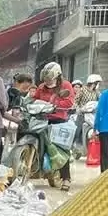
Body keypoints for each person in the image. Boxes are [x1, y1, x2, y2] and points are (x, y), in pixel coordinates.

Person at [32, 61, 76, 191]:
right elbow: (34, 99)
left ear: (56, 76)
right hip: (42, 119)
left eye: (49, 78)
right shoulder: (41, 87)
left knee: (61, 150)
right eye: (45, 78)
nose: (47, 80)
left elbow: (69, 101)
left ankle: (66, 178)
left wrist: (55, 104)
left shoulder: (65, 85)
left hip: (58, 120)